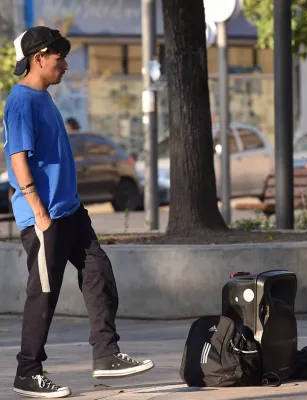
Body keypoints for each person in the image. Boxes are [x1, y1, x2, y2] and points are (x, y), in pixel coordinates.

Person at [3, 26, 154, 399]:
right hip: (46, 217)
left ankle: (106, 355)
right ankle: (28, 371)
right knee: (44, 293)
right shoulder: (21, 102)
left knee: (98, 273)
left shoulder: (44, 98)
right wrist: (38, 209)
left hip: (70, 212)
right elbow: (17, 159)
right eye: (59, 57)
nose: (66, 65)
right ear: (38, 59)